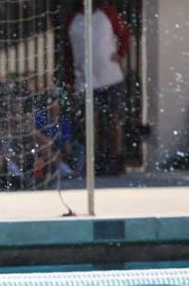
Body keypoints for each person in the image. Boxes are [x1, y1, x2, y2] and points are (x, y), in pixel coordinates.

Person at [65, 0, 131, 176]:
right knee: (90, 121)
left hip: (110, 77)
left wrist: (121, 54)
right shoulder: (73, 20)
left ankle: (115, 159)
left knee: (113, 120)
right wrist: (70, 80)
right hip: (85, 79)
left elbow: (125, 34)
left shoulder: (107, 13)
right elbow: (68, 52)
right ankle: (91, 159)